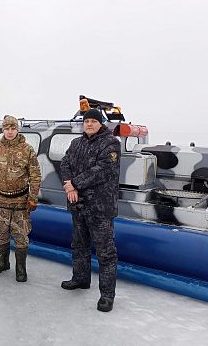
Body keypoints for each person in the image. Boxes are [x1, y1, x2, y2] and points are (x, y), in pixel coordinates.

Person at [60, 108, 121, 312]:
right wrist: (69, 185)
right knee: (79, 246)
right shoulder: (76, 143)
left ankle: (107, 295)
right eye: (87, 121)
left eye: (94, 121)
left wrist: (74, 184)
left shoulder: (111, 144)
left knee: (106, 253)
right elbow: (65, 163)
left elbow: (102, 171)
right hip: (78, 205)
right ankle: (80, 278)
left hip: (100, 207)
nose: (89, 124)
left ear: (101, 123)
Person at [0, 116, 41, 282]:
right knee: (0, 234)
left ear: (17, 130)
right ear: (3, 130)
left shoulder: (27, 149)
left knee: (21, 235)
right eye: (7, 128)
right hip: (1, 201)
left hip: (21, 201)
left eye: (13, 128)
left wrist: (33, 197)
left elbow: (35, 175)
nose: (10, 132)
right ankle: (2, 262)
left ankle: (20, 267)